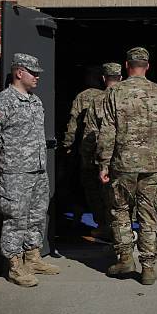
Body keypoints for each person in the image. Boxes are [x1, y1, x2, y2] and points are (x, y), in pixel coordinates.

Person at [97, 47, 157, 285]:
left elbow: (107, 131)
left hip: (123, 165)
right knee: (149, 215)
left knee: (120, 211)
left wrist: (103, 163)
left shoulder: (115, 92)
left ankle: (125, 258)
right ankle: (148, 268)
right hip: (153, 164)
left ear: (126, 65)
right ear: (147, 66)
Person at [0, 53, 60, 287]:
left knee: (36, 215)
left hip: (37, 170)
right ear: (19, 72)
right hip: (16, 172)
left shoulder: (35, 101)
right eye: (33, 72)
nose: (37, 77)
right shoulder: (2, 101)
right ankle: (15, 265)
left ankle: (32, 257)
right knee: (16, 218)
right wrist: (11, 151)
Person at [81, 62, 123, 239]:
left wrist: (87, 158)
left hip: (103, 157)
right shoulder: (131, 97)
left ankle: (107, 227)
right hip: (127, 158)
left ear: (104, 78)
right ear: (121, 78)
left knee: (103, 195)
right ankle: (124, 232)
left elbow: (90, 134)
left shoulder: (98, 100)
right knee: (124, 197)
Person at [61, 66, 104, 224]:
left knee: (88, 186)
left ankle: (98, 220)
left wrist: (67, 145)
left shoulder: (83, 96)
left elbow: (73, 125)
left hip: (86, 148)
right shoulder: (113, 95)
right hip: (110, 151)